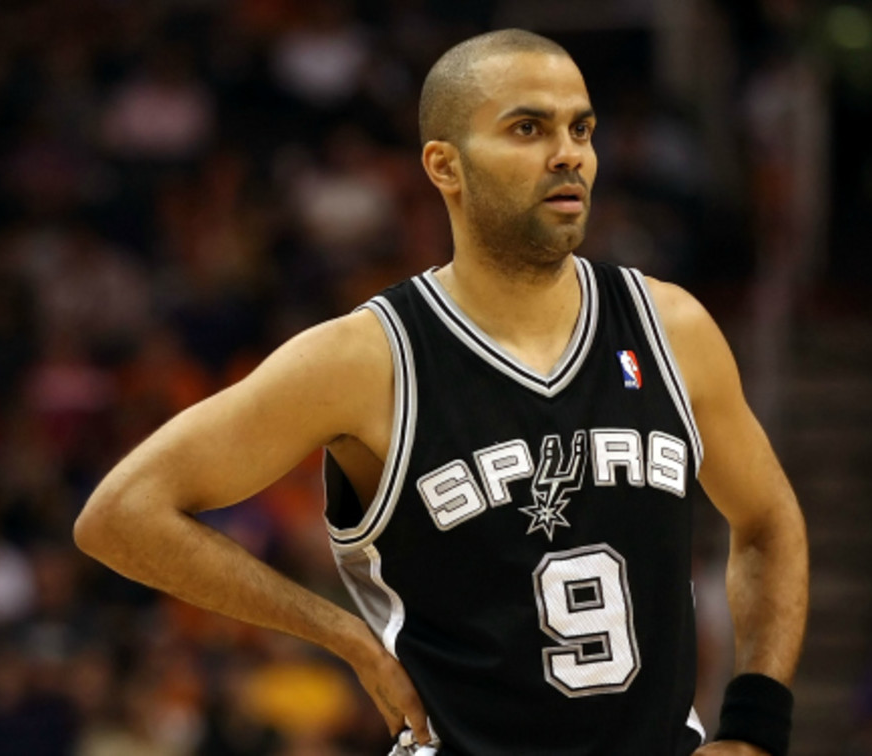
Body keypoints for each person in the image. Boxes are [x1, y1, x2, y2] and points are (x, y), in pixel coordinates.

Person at [74, 29, 808, 756]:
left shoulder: (670, 327)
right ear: (444, 166)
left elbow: (769, 520)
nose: (568, 154)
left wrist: (753, 725)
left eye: (580, 128)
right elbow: (121, 515)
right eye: (528, 127)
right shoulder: (368, 358)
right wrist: (341, 634)